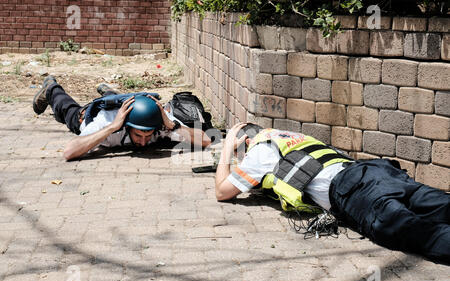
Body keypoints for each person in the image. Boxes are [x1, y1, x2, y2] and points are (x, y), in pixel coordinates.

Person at [215, 122, 450, 265]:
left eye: (239, 155)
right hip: (378, 171)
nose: (240, 161)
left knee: (408, 230)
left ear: (246, 142)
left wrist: (226, 148)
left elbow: (222, 191)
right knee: (439, 204)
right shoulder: (290, 138)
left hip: (353, 189)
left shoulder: (260, 150)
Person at [32, 76, 211, 161]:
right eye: (138, 136)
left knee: (114, 98)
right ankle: (51, 88)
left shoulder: (159, 119)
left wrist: (173, 126)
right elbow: (69, 152)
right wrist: (111, 128)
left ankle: (110, 92)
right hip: (86, 115)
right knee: (68, 110)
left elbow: (206, 140)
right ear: (127, 125)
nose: (143, 143)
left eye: (148, 136)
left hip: (126, 107)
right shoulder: (106, 120)